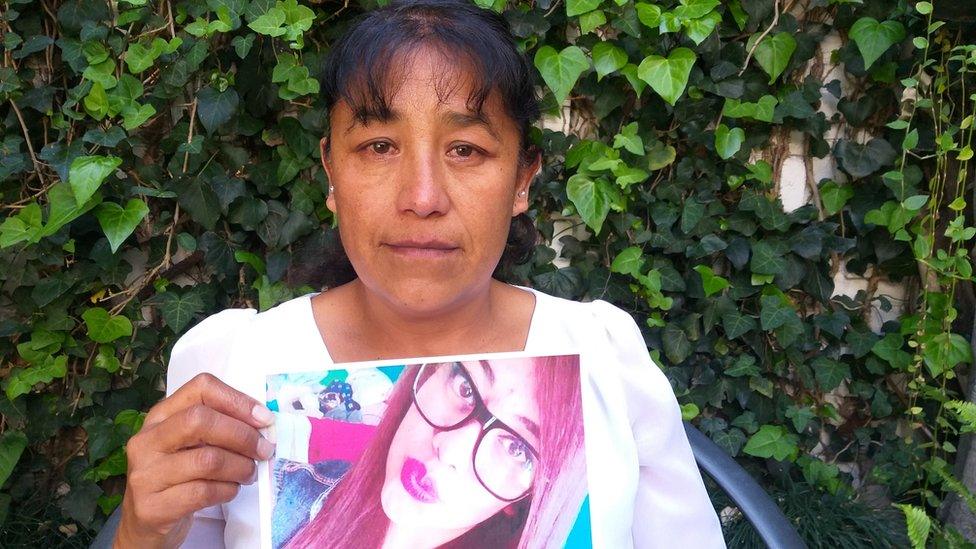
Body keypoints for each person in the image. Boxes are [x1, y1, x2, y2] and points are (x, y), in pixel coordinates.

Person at [114, 0, 727, 547]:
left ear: (522, 180)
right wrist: (143, 534)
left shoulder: (605, 358)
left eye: (467, 150)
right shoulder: (232, 366)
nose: (423, 196)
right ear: (330, 171)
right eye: (380, 146)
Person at [272, 356, 585, 549]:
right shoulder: (276, 496)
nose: (449, 449)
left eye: (517, 448)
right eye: (466, 387)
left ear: (526, 501)